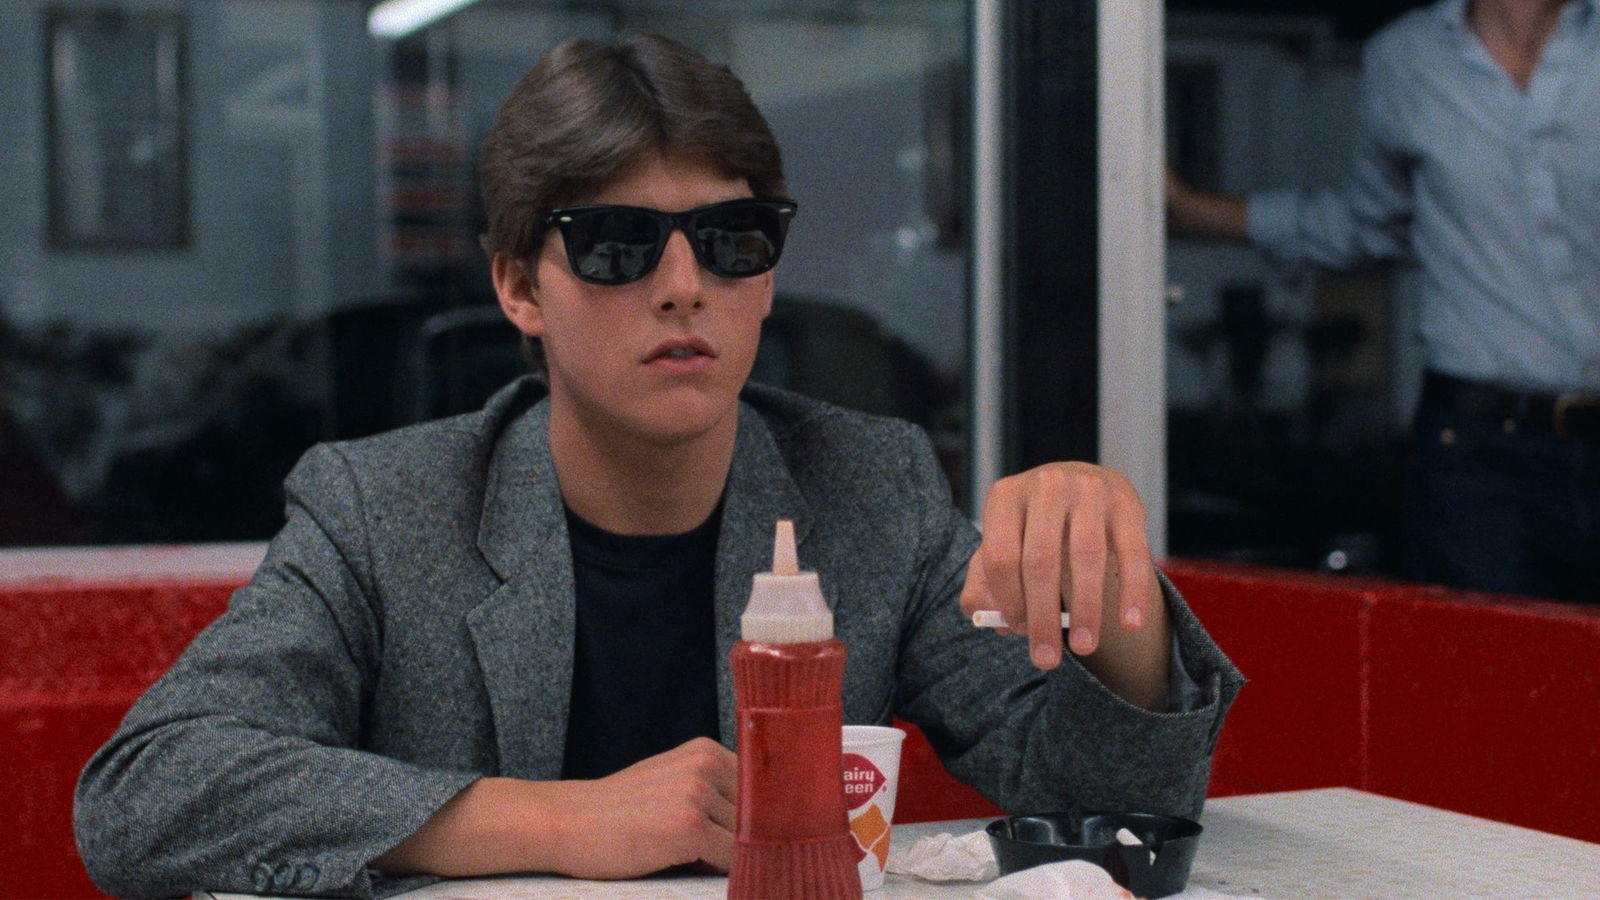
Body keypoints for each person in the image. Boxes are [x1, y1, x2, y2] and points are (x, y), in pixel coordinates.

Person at [75, 34, 1243, 898]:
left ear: (769, 274)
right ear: (519, 287)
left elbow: (1115, 810)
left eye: (732, 241)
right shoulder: (385, 510)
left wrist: (1115, 597)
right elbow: (146, 794)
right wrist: (561, 822)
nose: (685, 285)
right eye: (618, 244)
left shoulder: (866, 487)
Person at [1167, 0, 1600, 601]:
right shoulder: (1405, 60)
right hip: (1478, 459)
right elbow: (1370, 226)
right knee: (1476, 679)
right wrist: (1191, 212)